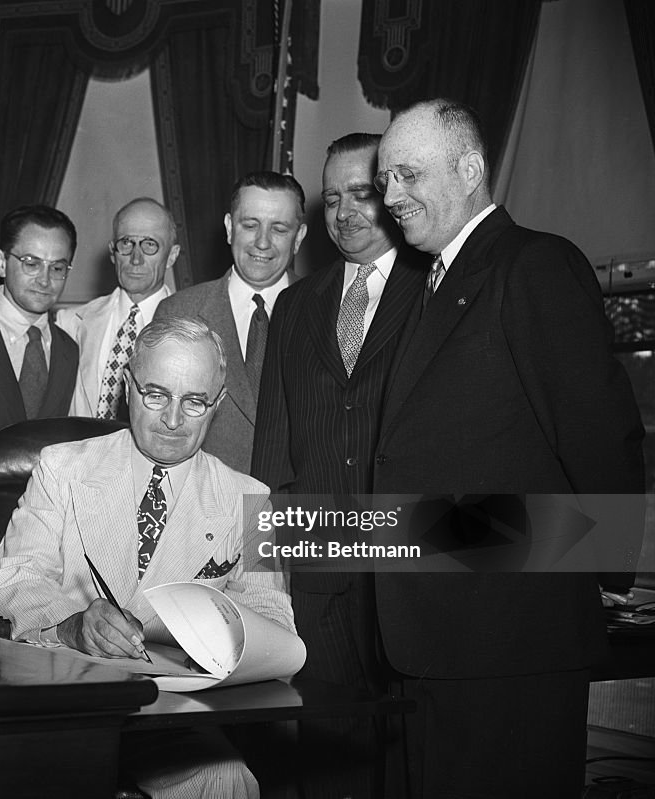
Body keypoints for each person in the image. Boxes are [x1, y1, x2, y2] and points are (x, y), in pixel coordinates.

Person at [373, 99, 646, 796]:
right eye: (384, 180)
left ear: (470, 170)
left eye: (407, 173)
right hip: (435, 638)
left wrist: (602, 569)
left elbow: (599, 434)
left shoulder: (534, 265)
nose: (391, 198)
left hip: (510, 639)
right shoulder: (427, 284)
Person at [0, 316, 295, 798]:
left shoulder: (249, 502)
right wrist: (71, 623)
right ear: (128, 386)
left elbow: (274, 625)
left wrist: (210, 643)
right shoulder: (61, 467)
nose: (173, 420)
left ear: (218, 403)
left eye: (194, 402)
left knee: (225, 780)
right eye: (156, 394)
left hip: (171, 715)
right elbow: (12, 580)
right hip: (61, 697)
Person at [251, 133, 428, 798]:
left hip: (412, 565)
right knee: (329, 753)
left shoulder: (435, 290)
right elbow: (275, 442)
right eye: (332, 198)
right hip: (318, 568)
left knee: (409, 752)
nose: (346, 211)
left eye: (362, 192)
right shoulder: (297, 304)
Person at [154, 172, 307, 473]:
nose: (262, 242)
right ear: (229, 228)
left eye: (279, 228)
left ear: (299, 237)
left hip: (296, 510)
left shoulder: (329, 311)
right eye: (250, 225)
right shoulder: (178, 312)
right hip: (204, 506)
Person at [0, 205, 79, 468]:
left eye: (57, 268)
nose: (44, 280)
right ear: (1, 262)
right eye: (32, 264)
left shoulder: (69, 350)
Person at [57, 197, 178, 421]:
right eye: (126, 243)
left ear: (171, 256)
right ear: (113, 252)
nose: (136, 258)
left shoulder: (191, 325)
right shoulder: (69, 322)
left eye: (150, 244)